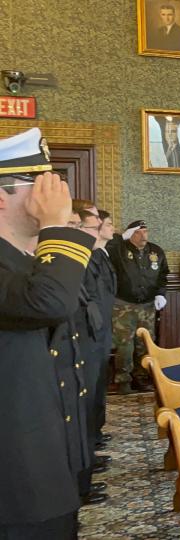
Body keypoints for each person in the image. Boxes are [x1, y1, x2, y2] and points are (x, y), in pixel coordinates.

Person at [0, 128, 95, 538]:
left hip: (46, 464)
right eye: (38, 185)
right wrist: (57, 224)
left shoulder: (22, 261)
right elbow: (50, 302)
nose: (53, 195)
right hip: (15, 481)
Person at [70, 206, 112, 507]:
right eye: (92, 225)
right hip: (83, 338)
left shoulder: (96, 255)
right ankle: (80, 484)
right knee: (81, 407)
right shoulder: (76, 258)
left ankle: (89, 459)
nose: (99, 230)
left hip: (97, 333)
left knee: (93, 398)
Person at [107, 219, 169, 394]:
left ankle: (141, 378)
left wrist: (160, 294)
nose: (144, 235)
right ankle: (123, 380)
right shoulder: (119, 249)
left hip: (147, 305)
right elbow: (106, 248)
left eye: (145, 231)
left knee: (144, 343)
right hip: (123, 305)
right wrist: (120, 237)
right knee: (124, 345)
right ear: (131, 233)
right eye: (139, 232)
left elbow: (163, 275)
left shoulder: (155, 251)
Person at [92, 209, 117, 449]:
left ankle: (95, 434)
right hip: (93, 330)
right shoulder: (91, 256)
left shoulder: (103, 254)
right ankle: (91, 440)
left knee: (99, 385)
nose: (113, 228)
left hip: (102, 328)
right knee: (92, 387)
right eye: (108, 224)